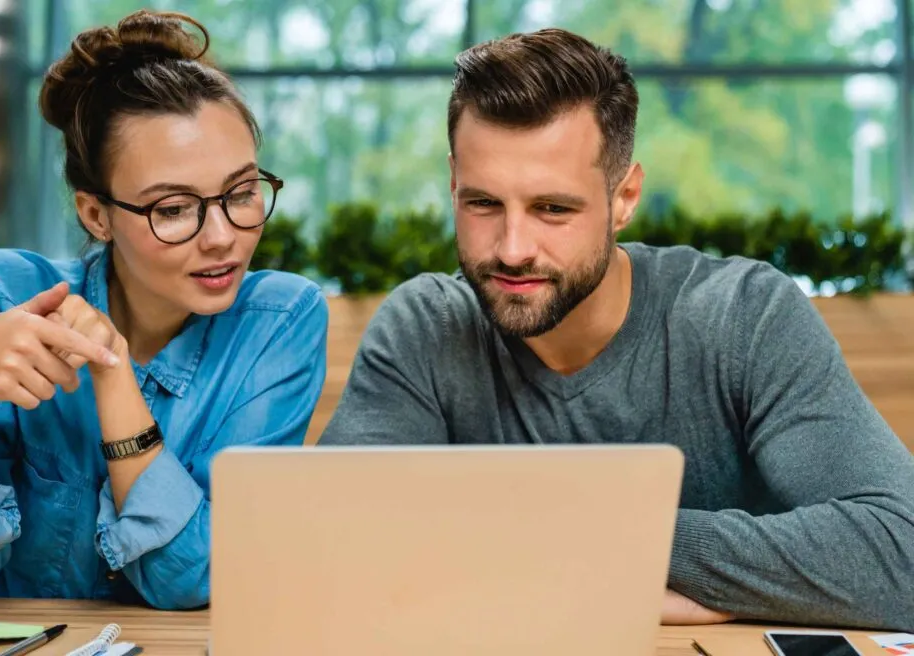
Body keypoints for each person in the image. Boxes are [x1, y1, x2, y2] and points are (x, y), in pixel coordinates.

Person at [319, 28, 914, 630]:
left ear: (624, 196)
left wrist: (598, 537)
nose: (513, 248)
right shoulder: (424, 329)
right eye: (483, 204)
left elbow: (902, 553)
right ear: (453, 183)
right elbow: (335, 549)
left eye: (553, 209)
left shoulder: (744, 315)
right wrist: (638, 558)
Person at [0, 10, 327, 616]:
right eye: (174, 208)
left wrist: (112, 372)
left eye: (241, 192)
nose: (223, 237)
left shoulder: (279, 322)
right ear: (97, 215)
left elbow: (197, 580)